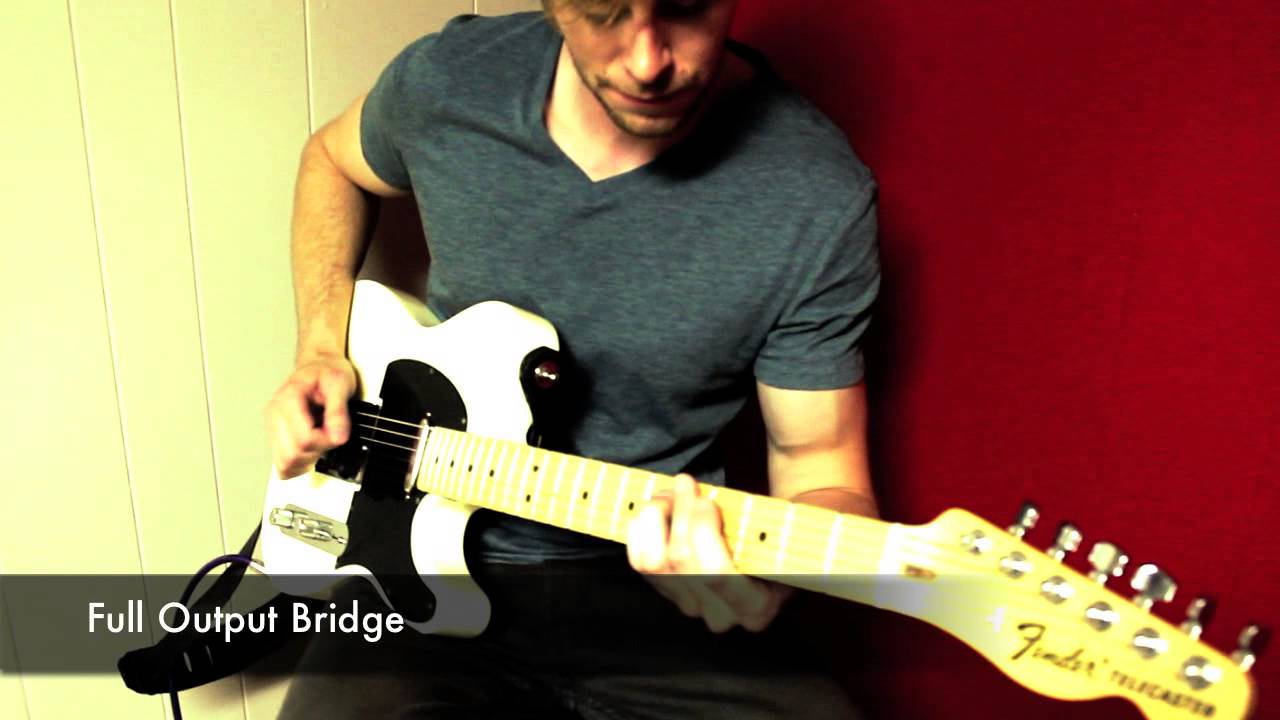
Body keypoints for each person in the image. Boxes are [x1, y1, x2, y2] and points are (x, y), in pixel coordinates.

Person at [266, 1, 880, 717]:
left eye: (684, 7)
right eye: (604, 10)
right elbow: (331, 160)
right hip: (415, 555)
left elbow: (820, 468)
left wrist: (769, 578)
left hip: (651, 587)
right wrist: (318, 347)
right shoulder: (449, 82)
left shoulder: (816, 196)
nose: (647, 61)